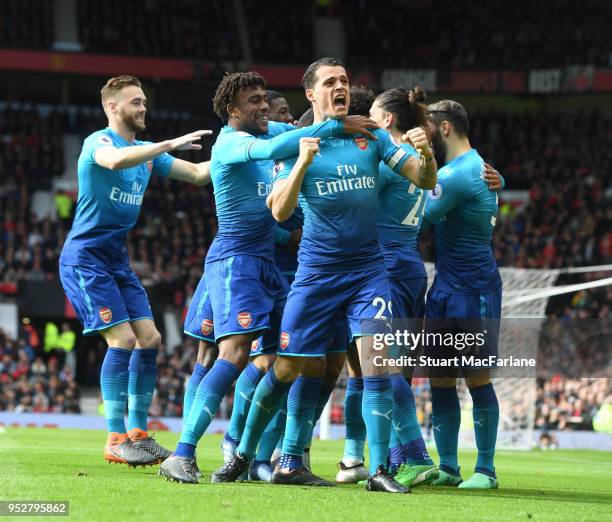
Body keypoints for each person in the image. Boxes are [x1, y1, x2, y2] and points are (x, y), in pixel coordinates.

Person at [213, 57, 437, 494]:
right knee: (288, 367)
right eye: (330, 82)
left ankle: (379, 471)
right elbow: (279, 212)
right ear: (311, 94)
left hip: (368, 272)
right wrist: (301, 162)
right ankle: (243, 454)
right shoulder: (299, 142)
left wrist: (426, 154)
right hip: (315, 275)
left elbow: (423, 179)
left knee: (376, 364)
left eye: (345, 81)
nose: (340, 87)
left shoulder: (369, 138)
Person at [159, 71, 376, 484]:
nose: (262, 106)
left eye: (264, 98)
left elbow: (297, 129)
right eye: (253, 101)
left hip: (270, 266)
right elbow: (280, 145)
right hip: (235, 260)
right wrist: (333, 124)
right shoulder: (231, 142)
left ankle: (276, 458)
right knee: (236, 351)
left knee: (295, 357)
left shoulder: (269, 127)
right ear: (232, 109)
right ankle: (183, 453)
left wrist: (341, 114)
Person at [59, 75, 213, 467]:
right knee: (123, 340)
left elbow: (198, 174)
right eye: (135, 103)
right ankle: (114, 437)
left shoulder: (147, 151)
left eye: (144, 102)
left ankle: (138, 435)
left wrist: (246, 151)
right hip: (85, 259)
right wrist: (165, 145)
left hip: (116, 260)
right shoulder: (99, 142)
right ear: (113, 107)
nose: (143, 108)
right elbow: (113, 161)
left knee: (151, 338)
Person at [423, 99, 502, 489]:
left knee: (476, 379)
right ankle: (449, 466)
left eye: (428, 129)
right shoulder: (477, 169)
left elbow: (419, 215)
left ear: (446, 128)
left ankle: (485, 470)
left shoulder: (460, 174)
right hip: (446, 288)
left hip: (474, 291)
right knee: (440, 378)